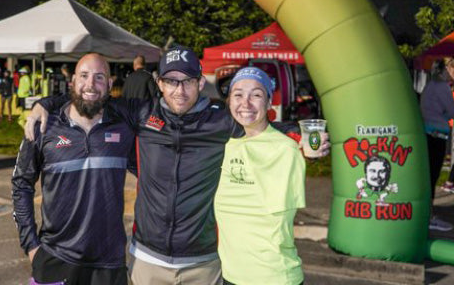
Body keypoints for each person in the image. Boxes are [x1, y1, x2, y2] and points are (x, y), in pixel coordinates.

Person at [26, 46, 329, 284]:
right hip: (148, 259)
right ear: (158, 83)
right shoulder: (142, 113)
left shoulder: (219, 119)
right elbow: (91, 97)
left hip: (203, 261)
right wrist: (45, 103)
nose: (179, 91)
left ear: (200, 83)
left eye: (187, 82)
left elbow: (258, 123)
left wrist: (299, 133)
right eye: (171, 81)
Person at [12, 53, 135, 285]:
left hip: (108, 263)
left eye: (99, 77)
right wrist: (30, 245)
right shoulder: (44, 127)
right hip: (55, 257)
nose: (90, 84)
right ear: (73, 82)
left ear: (109, 84)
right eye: (84, 76)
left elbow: (152, 174)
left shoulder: (125, 127)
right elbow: (21, 184)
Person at [214, 67, 310, 285]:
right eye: (238, 95)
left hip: (275, 276)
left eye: (256, 95)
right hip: (230, 276)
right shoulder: (222, 145)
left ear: (268, 103)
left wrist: (310, 144)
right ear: (229, 101)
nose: (245, 103)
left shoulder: (287, 149)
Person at [420, 58, 454, 231]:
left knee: (430, 176)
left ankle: (427, 213)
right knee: (432, 176)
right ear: (445, 69)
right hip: (435, 136)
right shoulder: (441, 88)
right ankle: (428, 216)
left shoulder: (433, 86)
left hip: (431, 135)